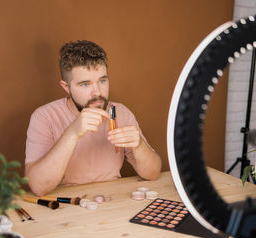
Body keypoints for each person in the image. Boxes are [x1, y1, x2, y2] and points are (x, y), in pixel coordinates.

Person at [25, 40, 161, 196]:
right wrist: (72, 133)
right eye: (85, 84)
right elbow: (38, 187)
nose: (97, 92)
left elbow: (152, 174)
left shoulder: (120, 112)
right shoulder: (44, 117)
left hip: (112, 200)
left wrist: (139, 145)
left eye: (102, 81)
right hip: (65, 204)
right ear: (66, 87)